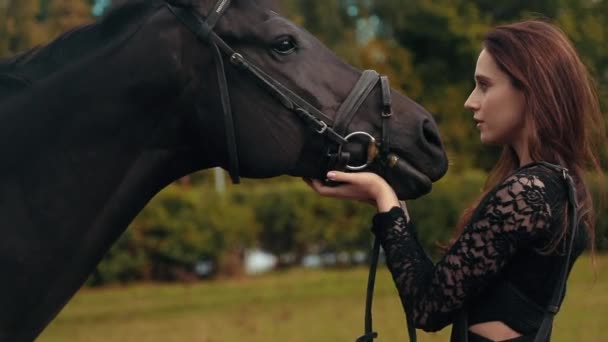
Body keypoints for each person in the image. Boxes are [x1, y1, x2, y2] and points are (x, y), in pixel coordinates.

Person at [305, 20, 605, 341]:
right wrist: (390, 202)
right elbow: (439, 291)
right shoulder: (559, 187)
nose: (470, 101)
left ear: (531, 89)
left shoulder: (527, 194)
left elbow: (428, 307)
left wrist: (382, 194)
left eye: (485, 85)